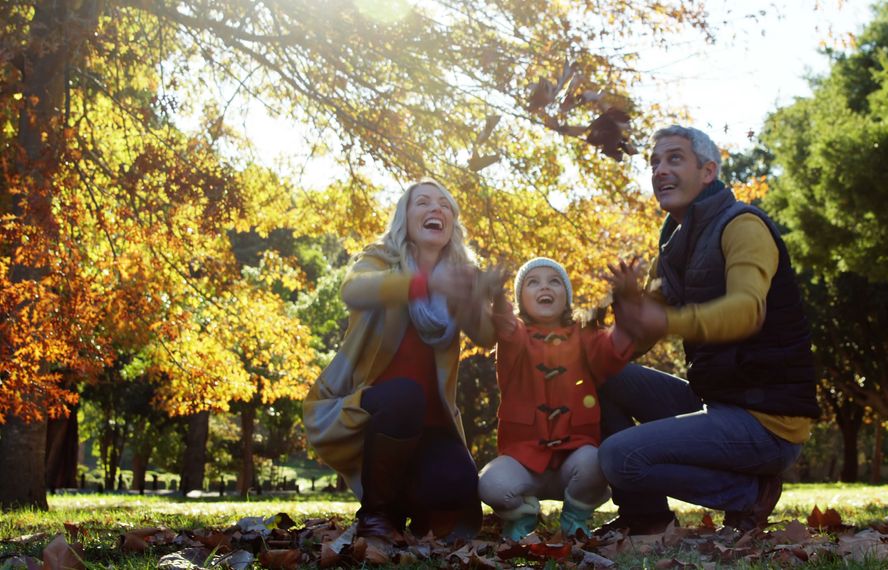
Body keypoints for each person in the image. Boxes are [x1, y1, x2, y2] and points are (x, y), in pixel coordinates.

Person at [597, 125, 820, 535]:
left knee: (617, 457)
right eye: (654, 163)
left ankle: (747, 494)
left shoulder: (743, 226)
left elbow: (747, 310)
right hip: (719, 403)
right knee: (603, 375)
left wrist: (663, 319)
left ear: (708, 171)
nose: (660, 170)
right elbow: (639, 338)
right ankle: (645, 517)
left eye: (674, 159)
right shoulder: (671, 250)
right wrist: (613, 318)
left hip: (768, 422)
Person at [302, 179, 499, 541]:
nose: (434, 209)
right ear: (404, 218)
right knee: (405, 395)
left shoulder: (457, 276)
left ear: (451, 223)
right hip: (375, 413)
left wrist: (485, 296)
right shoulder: (378, 260)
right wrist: (424, 283)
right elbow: (354, 290)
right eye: (421, 202)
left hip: (433, 423)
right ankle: (378, 514)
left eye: (444, 205)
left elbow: (486, 336)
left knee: (456, 484)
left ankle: (412, 501)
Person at [477, 257, 635, 540]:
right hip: (523, 460)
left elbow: (613, 350)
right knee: (491, 484)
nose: (544, 287)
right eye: (532, 282)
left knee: (596, 462)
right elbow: (506, 326)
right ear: (520, 299)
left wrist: (624, 301)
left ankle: (575, 516)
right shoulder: (515, 338)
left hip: (573, 457)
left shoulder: (585, 335)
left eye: (554, 281)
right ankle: (523, 515)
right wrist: (497, 296)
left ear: (566, 297)